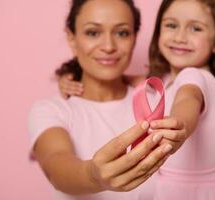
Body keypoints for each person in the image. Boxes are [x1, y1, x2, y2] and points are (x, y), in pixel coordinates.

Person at [57, 0, 215, 199]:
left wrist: (178, 127)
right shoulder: (164, 81)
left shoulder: (195, 77)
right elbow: (121, 78)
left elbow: (187, 101)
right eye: (171, 25)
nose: (180, 37)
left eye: (196, 29)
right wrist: (72, 77)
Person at [28, 0, 185, 199]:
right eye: (93, 32)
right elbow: (56, 167)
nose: (109, 46)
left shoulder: (161, 101)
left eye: (122, 33)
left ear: (135, 38)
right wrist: (94, 176)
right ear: (72, 38)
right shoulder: (52, 110)